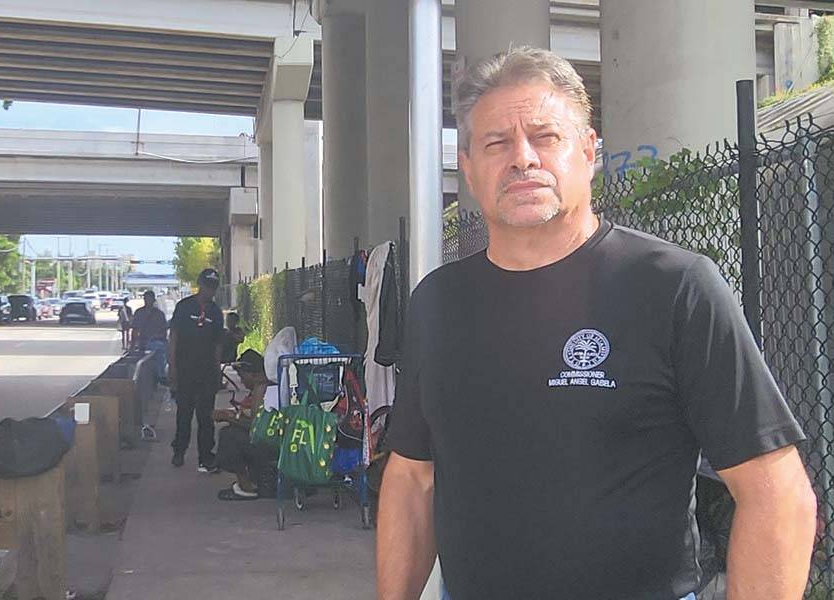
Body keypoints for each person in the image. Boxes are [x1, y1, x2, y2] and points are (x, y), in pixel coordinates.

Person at [377, 47, 817, 600]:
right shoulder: (437, 302)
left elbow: (776, 491)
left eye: (546, 137)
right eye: (496, 143)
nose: (522, 158)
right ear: (467, 166)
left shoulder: (675, 287)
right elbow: (411, 477)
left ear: (588, 151)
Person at [168, 268, 224, 472]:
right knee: (184, 413)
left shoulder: (216, 313)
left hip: (207, 372)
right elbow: (173, 337)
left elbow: (218, 344)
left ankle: (206, 457)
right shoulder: (184, 307)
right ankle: (179, 451)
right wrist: (172, 366)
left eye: (213, 288)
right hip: (185, 370)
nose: (210, 291)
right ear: (200, 285)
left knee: (205, 416)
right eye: (208, 286)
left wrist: (217, 371)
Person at [212, 349, 278, 501]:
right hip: (273, 442)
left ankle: (246, 486)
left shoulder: (261, 389)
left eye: (242, 377)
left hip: (270, 445)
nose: (241, 381)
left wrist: (228, 418)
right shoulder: (270, 384)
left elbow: (256, 426)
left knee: (229, 435)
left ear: (253, 375)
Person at [130, 290, 168, 383]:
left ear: (154, 300)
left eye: (150, 299)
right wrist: (132, 346)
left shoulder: (159, 314)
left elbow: (164, 331)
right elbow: (135, 330)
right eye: (146, 299)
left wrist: (157, 337)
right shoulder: (139, 312)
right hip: (143, 342)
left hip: (157, 342)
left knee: (161, 351)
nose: (148, 301)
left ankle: (161, 376)